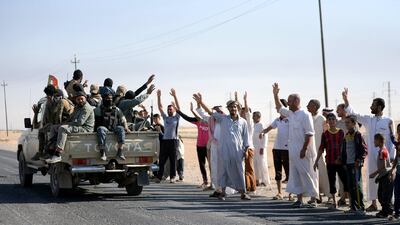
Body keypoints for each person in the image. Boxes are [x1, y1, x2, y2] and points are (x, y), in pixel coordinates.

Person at [343, 88, 395, 212]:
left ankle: (387, 205)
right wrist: (346, 100)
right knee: (372, 180)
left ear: (380, 107)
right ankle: (373, 203)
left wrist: (392, 157)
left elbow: (392, 140)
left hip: (385, 157)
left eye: (373, 105)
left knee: (386, 182)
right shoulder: (369, 119)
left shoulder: (389, 120)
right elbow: (355, 114)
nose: (371, 106)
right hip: (372, 156)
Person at [272, 83, 319, 208]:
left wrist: (304, 149)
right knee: (295, 175)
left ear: (296, 101)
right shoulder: (290, 114)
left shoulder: (305, 115)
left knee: (308, 174)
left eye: (289, 101)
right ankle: (299, 200)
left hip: (304, 151)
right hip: (292, 150)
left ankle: (313, 199)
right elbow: (278, 108)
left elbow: (309, 134)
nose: (287, 103)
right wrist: (275, 94)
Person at [210, 99, 251, 201]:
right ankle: (223, 193)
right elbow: (209, 112)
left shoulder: (243, 122)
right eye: (231, 107)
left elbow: (246, 138)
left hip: (238, 152)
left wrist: (246, 150)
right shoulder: (223, 119)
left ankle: (243, 193)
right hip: (225, 150)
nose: (233, 108)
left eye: (235, 107)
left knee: (240, 171)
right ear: (228, 108)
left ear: (238, 108)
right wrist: (201, 102)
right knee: (225, 171)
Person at [46, 91, 95, 163]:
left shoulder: (87, 108)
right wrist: (63, 123)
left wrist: (66, 124)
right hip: (78, 126)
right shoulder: (78, 107)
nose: (80, 100)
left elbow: (79, 122)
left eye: (82, 99)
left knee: (63, 128)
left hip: (85, 129)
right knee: (53, 127)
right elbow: (71, 118)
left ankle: (58, 154)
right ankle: (51, 150)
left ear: (85, 98)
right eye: (78, 99)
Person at [314, 113, 348, 209]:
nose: (332, 121)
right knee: (332, 181)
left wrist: (343, 159)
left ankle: (347, 200)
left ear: (336, 121)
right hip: (330, 162)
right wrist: (316, 161)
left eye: (333, 119)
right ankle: (334, 202)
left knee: (345, 181)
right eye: (330, 119)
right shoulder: (325, 134)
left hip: (341, 162)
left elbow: (344, 147)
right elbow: (321, 148)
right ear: (327, 122)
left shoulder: (341, 132)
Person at [260, 99, 291, 200]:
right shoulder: (277, 120)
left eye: (278, 107)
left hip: (287, 149)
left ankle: (290, 193)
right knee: (278, 171)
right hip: (276, 148)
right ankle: (279, 193)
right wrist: (263, 132)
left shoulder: (291, 119)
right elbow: (270, 128)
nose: (276, 108)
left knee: (289, 171)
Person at [174, 102, 210, 187]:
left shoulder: (211, 122)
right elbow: (186, 118)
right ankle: (205, 181)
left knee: (212, 165)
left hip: (209, 147)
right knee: (202, 164)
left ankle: (214, 183)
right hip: (200, 146)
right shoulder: (198, 121)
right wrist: (178, 111)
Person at [340, 115, 367, 215]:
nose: (346, 124)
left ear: (354, 123)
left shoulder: (358, 135)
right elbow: (344, 150)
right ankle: (353, 207)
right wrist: (342, 160)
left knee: (357, 185)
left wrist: (359, 160)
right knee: (350, 186)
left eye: (348, 122)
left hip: (355, 164)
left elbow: (364, 150)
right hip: (348, 164)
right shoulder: (346, 135)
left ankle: (361, 207)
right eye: (345, 122)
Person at [154, 89, 181, 183]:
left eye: (171, 109)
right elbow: (160, 107)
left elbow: (179, 108)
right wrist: (158, 96)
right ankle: (159, 177)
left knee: (173, 160)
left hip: (174, 141)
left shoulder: (176, 117)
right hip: (165, 141)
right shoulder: (165, 118)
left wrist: (175, 96)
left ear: (173, 110)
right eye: (168, 109)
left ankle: (173, 176)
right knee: (162, 160)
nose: (169, 110)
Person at [307, 99, 330, 204]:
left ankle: (330, 196)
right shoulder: (307, 118)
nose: (307, 106)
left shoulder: (322, 119)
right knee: (312, 174)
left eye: (309, 105)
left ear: (315, 107)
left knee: (323, 174)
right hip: (309, 151)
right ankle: (315, 196)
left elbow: (327, 135)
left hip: (320, 151)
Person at [94, 93, 130, 161]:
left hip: (114, 128)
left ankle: (120, 152)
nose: (109, 100)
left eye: (111, 99)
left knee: (121, 128)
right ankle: (102, 152)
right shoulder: (98, 109)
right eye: (107, 99)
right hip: (104, 128)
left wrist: (126, 127)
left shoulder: (117, 109)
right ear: (103, 99)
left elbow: (123, 119)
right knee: (100, 129)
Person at [236, 91, 257, 194]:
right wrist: (236, 98)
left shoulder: (248, 122)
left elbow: (247, 111)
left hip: (249, 148)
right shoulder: (240, 122)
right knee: (242, 168)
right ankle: (244, 186)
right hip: (241, 148)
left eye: (244, 112)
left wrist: (245, 100)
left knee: (249, 168)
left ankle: (251, 187)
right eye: (241, 112)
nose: (242, 112)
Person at [369, 133, 393, 218]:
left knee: (383, 196)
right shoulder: (382, 150)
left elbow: (383, 166)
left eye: (375, 140)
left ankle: (386, 212)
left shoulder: (382, 151)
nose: (374, 142)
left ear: (379, 141)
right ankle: (387, 210)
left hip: (386, 176)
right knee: (382, 195)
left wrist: (374, 174)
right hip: (384, 176)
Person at [252, 111, 270, 188]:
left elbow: (265, 136)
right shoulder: (254, 125)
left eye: (254, 116)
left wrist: (263, 147)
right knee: (255, 164)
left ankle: (264, 180)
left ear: (258, 117)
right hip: (254, 147)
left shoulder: (261, 124)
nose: (253, 117)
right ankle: (257, 180)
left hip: (260, 147)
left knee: (262, 164)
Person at [390, 124, 400, 220]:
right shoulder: (398, 144)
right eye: (398, 131)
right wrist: (392, 169)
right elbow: (397, 157)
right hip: (399, 173)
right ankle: (397, 213)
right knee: (397, 193)